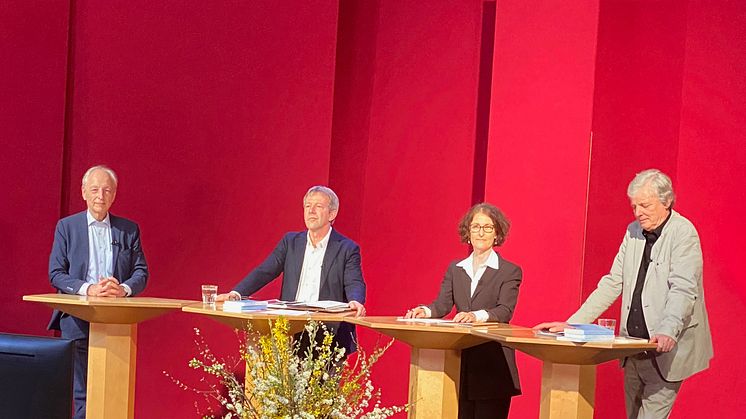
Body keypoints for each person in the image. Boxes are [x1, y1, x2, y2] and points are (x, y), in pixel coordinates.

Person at [534, 169, 713, 419]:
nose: (638, 212)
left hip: (665, 351)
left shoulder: (684, 233)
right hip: (632, 350)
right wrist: (573, 324)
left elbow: (683, 288)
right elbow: (612, 282)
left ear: (667, 201)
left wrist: (668, 330)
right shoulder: (633, 231)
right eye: (634, 206)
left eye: (645, 205)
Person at [48, 165, 149, 419]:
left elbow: (141, 273)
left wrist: (123, 289)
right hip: (77, 321)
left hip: (116, 323)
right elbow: (56, 273)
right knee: (83, 395)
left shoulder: (128, 229)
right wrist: (89, 289)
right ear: (83, 192)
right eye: (94, 190)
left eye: (106, 190)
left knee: (113, 392)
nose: (100, 196)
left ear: (114, 195)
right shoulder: (66, 227)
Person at [404, 203, 522, 419]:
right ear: (467, 232)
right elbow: (443, 304)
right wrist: (425, 311)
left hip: (492, 363)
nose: (481, 232)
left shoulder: (509, 271)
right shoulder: (456, 268)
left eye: (488, 227)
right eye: (476, 226)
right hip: (460, 361)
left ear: (497, 233)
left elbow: (505, 311)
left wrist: (475, 316)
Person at [216, 185, 366, 355]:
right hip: (290, 330)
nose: (311, 211)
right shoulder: (291, 242)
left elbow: (354, 281)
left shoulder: (346, 248)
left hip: (327, 334)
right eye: (308, 206)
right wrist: (236, 293)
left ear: (332, 214)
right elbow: (265, 271)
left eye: (318, 206)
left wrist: (355, 300)